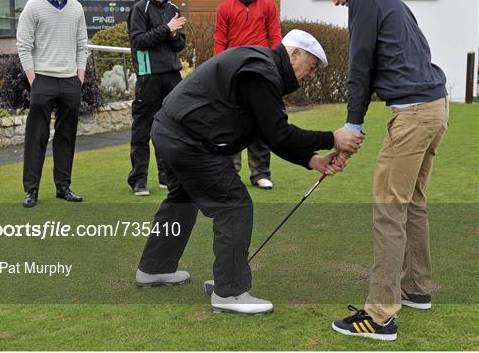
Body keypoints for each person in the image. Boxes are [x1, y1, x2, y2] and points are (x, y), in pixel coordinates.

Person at [134, 29, 364, 315]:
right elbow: (279, 134)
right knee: (234, 204)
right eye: (312, 67)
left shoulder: (263, 68)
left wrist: (312, 160)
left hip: (171, 132)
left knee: (182, 200)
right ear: (294, 55)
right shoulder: (262, 71)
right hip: (188, 139)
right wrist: (332, 138)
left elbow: (268, 132)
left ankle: (154, 269)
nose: (312, 76)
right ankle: (229, 293)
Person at [315, 0, 448, 341]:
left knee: (389, 211)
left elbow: (360, 66)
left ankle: (380, 316)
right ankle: (416, 288)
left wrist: (352, 126)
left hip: (413, 115)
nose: (335, 2)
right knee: (412, 204)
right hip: (434, 109)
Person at [16, 0, 87, 208]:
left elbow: (82, 45)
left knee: (66, 137)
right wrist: (34, 78)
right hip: (43, 80)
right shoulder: (33, 7)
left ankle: (63, 187)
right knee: (36, 137)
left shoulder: (76, 8)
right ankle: (31, 190)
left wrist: (79, 75)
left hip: (70, 81)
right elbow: (23, 46)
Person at [213, 0, 282, 190]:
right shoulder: (225, 7)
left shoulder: (268, 5)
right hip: (233, 70)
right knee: (232, 122)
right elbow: (220, 39)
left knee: (260, 121)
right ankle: (231, 172)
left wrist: (274, 63)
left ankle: (260, 172)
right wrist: (219, 67)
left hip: (261, 70)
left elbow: (275, 36)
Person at [127, 0, 186, 196]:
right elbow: (139, 41)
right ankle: (138, 180)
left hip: (172, 76)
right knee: (143, 128)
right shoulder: (140, 9)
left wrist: (173, 34)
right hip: (148, 76)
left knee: (170, 128)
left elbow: (180, 45)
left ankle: (166, 176)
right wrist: (166, 29)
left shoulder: (173, 9)